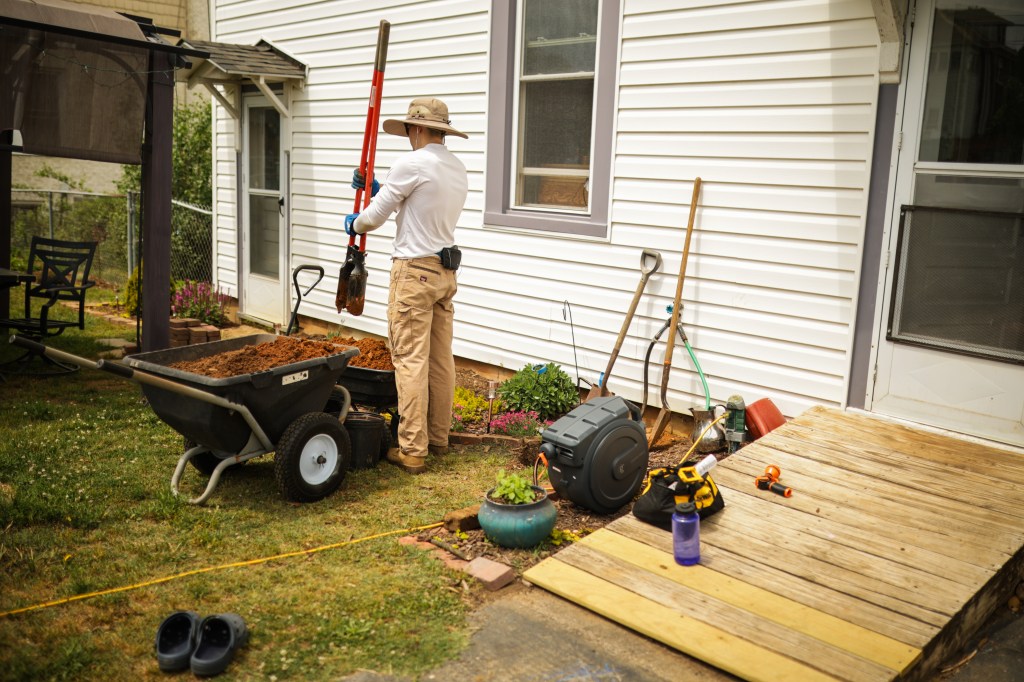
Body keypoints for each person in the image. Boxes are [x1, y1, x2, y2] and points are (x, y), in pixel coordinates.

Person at [345, 98, 469, 474]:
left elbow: (373, 219)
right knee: (439, 360)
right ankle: (438, 438)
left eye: (409, 131)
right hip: (444, 274)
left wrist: (354, 223)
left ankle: (413, 449)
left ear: (416, 128)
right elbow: (417, 205)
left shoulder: (411, 163)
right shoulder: (455, 167)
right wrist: (379, 187)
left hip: (414, 273)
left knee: (410, 359)